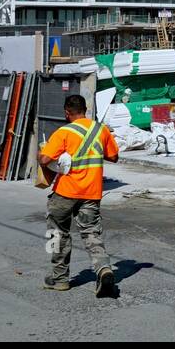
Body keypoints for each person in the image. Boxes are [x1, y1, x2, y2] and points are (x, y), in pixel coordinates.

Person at [38, 94, 119, 296]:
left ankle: (60, 279)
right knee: (92, 233)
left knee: (56, 234)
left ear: (67, 112)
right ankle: (103, 268)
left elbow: (46, 158)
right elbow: (114, 156)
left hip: (65, 192)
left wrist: (40, 155)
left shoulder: (63, 132)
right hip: (92, 193)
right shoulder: (101, 130)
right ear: (85, 110)